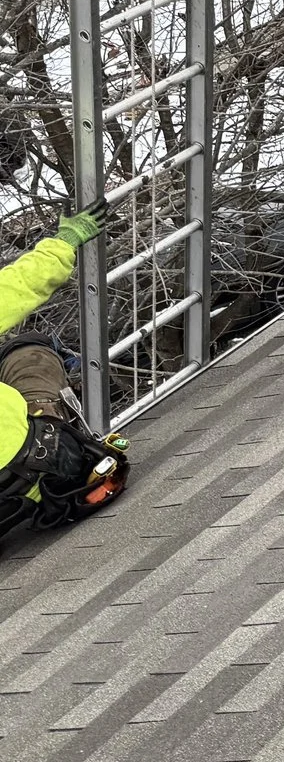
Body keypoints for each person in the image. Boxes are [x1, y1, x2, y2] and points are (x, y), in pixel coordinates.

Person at [0, 207, 128, 529]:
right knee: (27, 350)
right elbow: (20, 284)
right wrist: (66, 240)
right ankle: (55, 423)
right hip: (27, 465)